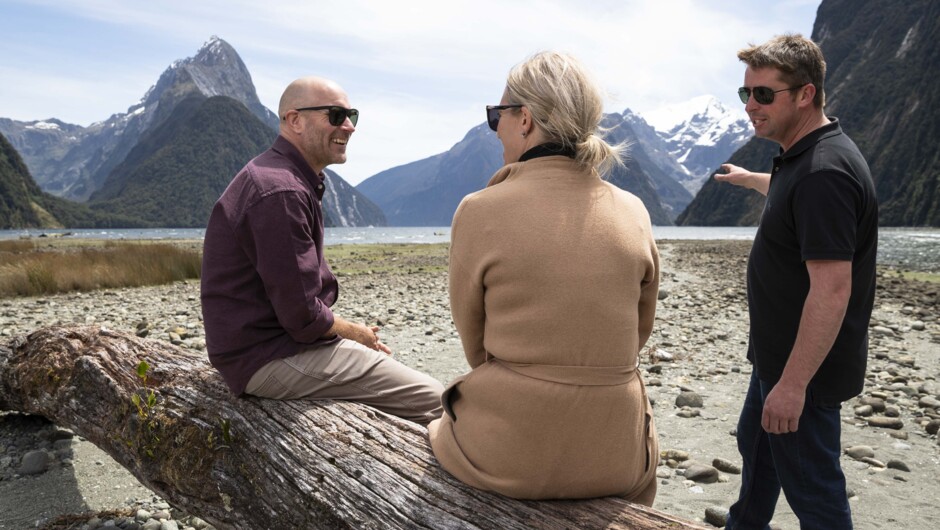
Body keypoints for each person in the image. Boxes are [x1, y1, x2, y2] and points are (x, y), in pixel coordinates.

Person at [428, 51, 660, 504]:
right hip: (616, 453)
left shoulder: (479, 210)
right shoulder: (634, 210)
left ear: (526, 120)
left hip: (513, 454)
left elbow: (476, 346)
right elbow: (638, 332)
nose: (495, 127)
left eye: (497, 115)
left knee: (439, 428)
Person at [200, 76, 443, 425]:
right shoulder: (280, 190)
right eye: (335, 115)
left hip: (265, 347)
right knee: (435, 399)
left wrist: (351, 336)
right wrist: (356, 333)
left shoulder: (283, 178)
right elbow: (302, 316)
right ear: (294, 120)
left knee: (393, 386)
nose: (348, 126)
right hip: (265, 357)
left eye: (351, 116)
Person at [715, 34, 878, 529]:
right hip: (777, 359)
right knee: (758, 454)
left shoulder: (822, 173)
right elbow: (789, 196)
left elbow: (832, 290)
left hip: (800, 372)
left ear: (805, 94)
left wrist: (792, 385)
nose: (751, 107)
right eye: (746, 94)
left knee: (814, 490)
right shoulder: (803, 156)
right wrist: (750, 178)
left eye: (764, 95)